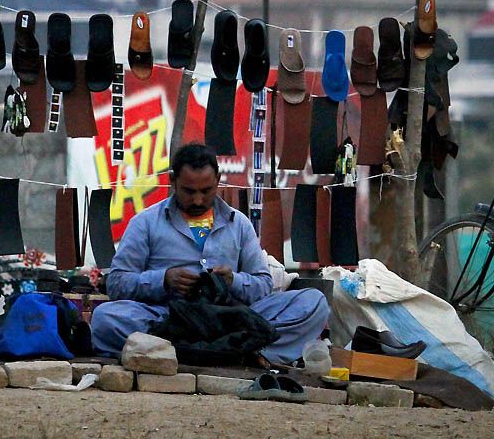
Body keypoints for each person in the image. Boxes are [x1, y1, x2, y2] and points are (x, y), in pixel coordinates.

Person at [90, 142, 329, 363]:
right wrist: (163, 280)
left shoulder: (239, 224)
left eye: (206, 191)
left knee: (314, 302)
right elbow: (117, 283)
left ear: (218, 180)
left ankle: (171, 353)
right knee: (106, 318)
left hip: (230, 318)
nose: (197, 200)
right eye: (188, 191)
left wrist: (233, 281)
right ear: (173, 181)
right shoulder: (145, 223)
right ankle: (241, 352)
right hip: (170, 317)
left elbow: (263, 284)